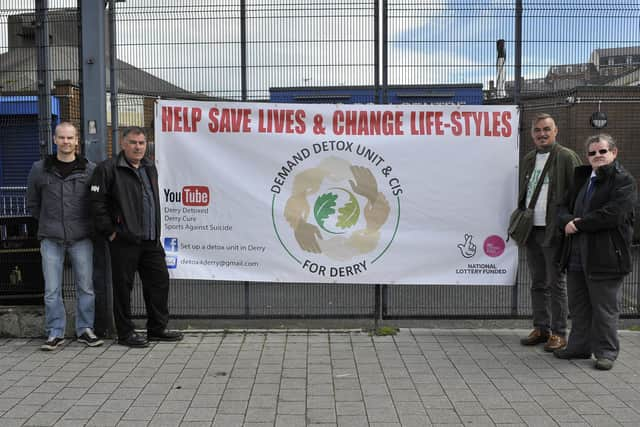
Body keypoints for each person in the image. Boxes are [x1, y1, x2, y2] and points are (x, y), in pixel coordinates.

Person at [89, 126, 183, 347]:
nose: (138, 147)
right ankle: (125, 333)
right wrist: (111, 232)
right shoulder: (108, 169)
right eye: (133, 142)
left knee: (159, 283)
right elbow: (96, 204)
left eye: (141, 143)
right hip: (124, 241)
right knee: (123, 289)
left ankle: (157, 329)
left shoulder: (149, 167)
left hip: (151, 240)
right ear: (123, 144)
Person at [554, 134, 636, 370]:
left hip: (606, 256)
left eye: (602, 151)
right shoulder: (581, 178)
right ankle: (579, 347)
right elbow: (561, 207)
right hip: (577, 255)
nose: (597, 156)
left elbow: (614, 214)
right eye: (592, 153)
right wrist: (567, 220)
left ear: (614, 153)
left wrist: (578, 224)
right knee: (579, 306)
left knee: (605, 309)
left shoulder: (624, 181)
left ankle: (606, 352)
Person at [26, 121, 103, 350]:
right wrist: (48, 223)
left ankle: (85, 329)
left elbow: (97, 202)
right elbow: (32, 202)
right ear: (54, 140)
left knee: (86, 287)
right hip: (51, 237)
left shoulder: (90, 169)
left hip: (81, 237)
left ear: (77, 140)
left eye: (70, 138)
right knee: (51, 289)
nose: (66, 142)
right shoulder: (39, 169)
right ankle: (55, 332)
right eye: (61, 138)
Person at [518, 114, 582, 351]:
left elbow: (578, 191)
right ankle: (541, 327)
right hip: (532, 228)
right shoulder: (529, 159)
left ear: (556, 131)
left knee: (556, 283)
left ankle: (559, 332)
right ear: (532, 133)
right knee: (537, 282)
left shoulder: (566, 157)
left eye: (547, 129)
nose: (542, 134)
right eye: (537, 130)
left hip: (554, 229)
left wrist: (570, 222)